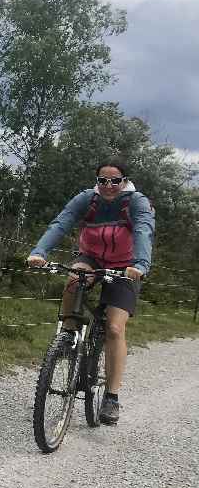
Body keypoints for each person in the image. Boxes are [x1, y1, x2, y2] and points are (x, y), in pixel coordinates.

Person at [27, 158, 155, 425]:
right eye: (102, 180)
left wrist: (140, 264)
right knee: (74, 280)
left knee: (115, 328)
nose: (108, 186)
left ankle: (111, 396)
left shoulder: (136, 202)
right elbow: (61, 223)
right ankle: (68, 337)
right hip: (92, 257)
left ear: (124, 181)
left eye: (115, 180)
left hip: (126, 266)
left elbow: (143, 230)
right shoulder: (87, 200)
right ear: (96, 181)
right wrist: (39, 252)